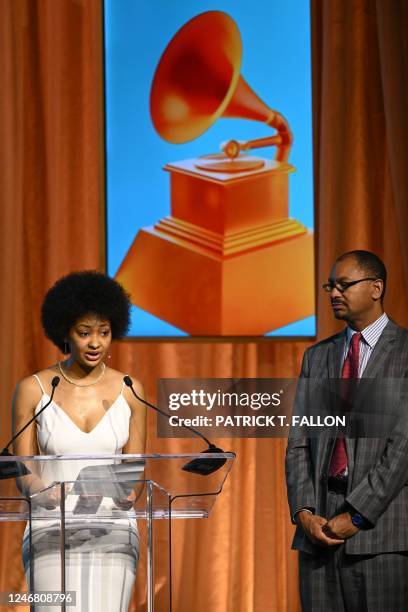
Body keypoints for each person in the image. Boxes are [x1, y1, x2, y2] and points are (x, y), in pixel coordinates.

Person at [12, 270, 146, 612]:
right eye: (84, 333)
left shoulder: (130, 389)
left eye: (104, 332)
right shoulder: (34, 389)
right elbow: (22, 470)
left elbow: (136, 471)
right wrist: (44, 494)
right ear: (65, 333)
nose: (96, 343)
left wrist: (127, 497)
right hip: (50, 524)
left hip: (112, 528)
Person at [285, 250, 408, 611]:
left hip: (379, 533)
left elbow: (402, 448)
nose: (334, 293)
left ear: (375, 288)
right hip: (319, 533)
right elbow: (299, 444)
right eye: (330, 286)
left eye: (344, 285)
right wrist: (305, 513)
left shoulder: (404, 352)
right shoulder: (318, 357)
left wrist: (356, 516)